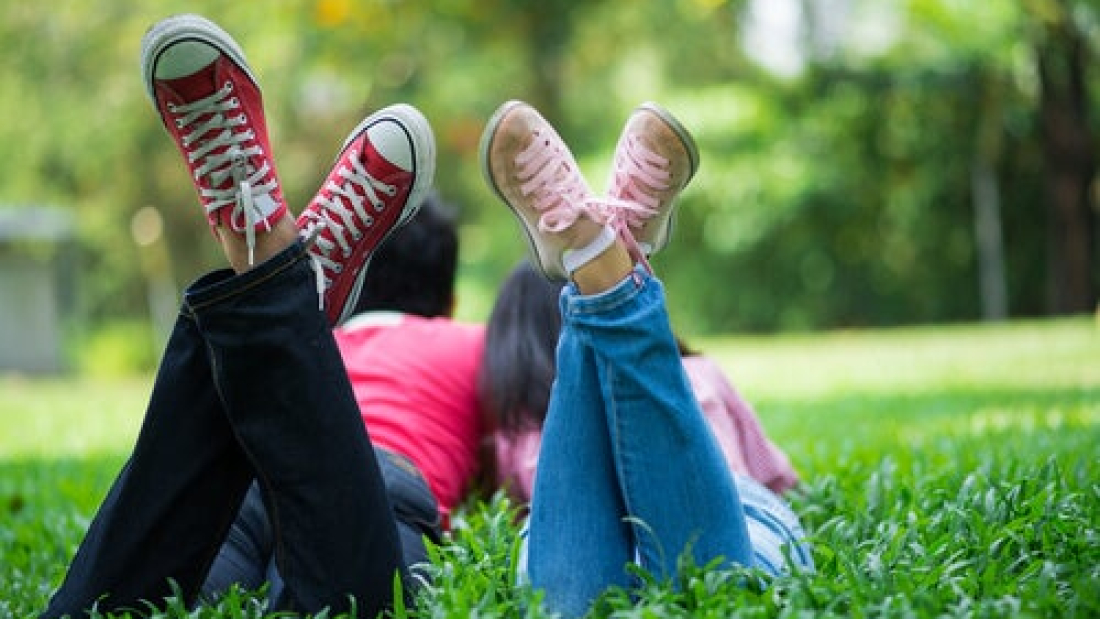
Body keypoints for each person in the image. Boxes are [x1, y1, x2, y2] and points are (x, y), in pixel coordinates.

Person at [42, 13, 435, 617]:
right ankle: (282, 282)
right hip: (383, 481)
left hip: (346, 478)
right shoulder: (454, 342)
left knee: (103, 609)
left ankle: (273, 273)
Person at [478, 99, 814, 617]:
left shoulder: (519, 416)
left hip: (584, 542)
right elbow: (779, 479)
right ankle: (617, 258)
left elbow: (518, 494)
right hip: (738, 522)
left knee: (572, 608)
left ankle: (589, 258)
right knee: (715, 598)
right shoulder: (699, 373)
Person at [201, 194, 486, 601]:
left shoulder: (312, 347)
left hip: (258, 479)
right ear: (451, 302)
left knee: (191, 599)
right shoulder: (471, 347)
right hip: (382, 482)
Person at [480, 261, 800, 509]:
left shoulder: (519, 432)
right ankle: (618, 289)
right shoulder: (699, 374)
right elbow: (775, 477)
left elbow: (521, 514)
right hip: (738, 515)